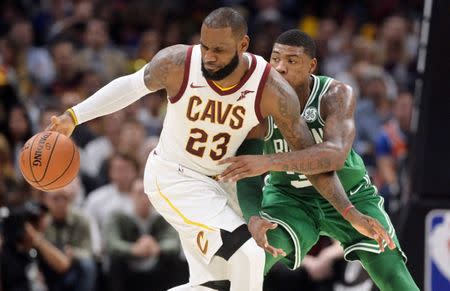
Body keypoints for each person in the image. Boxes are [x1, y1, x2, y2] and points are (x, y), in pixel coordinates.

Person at [48, 8, 392, 291]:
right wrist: (74, 116)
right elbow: (130, 87)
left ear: (243, 44)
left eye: (219, 50)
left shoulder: (271, 89)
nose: (209, 57)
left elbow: (312, 160)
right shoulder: (179, 63)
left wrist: (349, 213)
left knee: (219, 283)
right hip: (175, 176)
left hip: (223, 184)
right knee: (250, 254)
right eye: (205, 46)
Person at [218, 29, 419, 291]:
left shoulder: (335, 94)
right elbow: (247, 170)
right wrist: (254, 216)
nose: (280, 67)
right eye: (275, 58)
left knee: (394, 276)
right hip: (290, 199)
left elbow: (334, 155)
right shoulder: (257, 103)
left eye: (292, 61)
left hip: (350, 195)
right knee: (250, 259)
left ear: (312, 65)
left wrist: (269, 162)